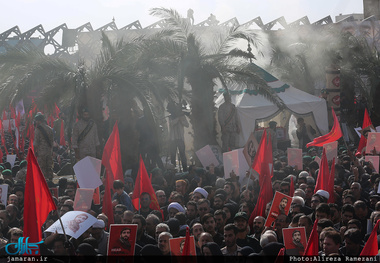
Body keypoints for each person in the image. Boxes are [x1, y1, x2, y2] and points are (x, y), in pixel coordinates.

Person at [167, 101, 189, 171]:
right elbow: (172, 124)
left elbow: (187, 124)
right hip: (173, 139)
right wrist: (178, 118)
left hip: (180, 139)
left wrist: (181, 119)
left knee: (182, 155)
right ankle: (174, 170)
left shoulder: (182, 117)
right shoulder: (170, 117)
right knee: (173, 156)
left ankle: (185, 169)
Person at [33, 112, 54, 180]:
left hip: (41, 152)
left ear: (38, 120)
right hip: (49, 151)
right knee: (49, 167)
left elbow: (36, 142)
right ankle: (50, 181)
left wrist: (35, 151)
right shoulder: (50, 128)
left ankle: (44, 182)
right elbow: (52, 141)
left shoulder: (38, 129)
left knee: (42, 168)